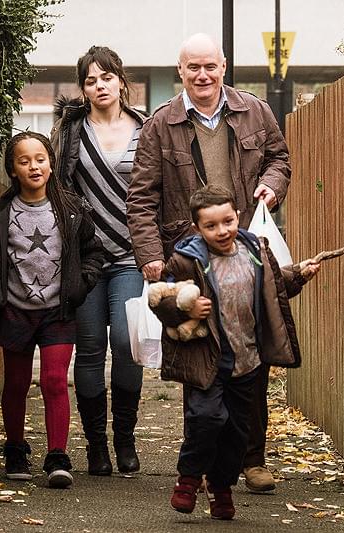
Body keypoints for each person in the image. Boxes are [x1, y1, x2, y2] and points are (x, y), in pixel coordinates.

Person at [126, 33, 291, 493]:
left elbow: (279, 158)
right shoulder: (160, 124)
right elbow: (142, 197)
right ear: (180, 71)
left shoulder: (255, 110)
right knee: (199, 361)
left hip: (245, 251)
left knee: (251, 357)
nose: (203, 75)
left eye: (210, 66)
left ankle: (251, 459)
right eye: (193, 67)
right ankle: (198, 464)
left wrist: (272, 185)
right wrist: (151, 257)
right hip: (190, 259)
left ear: (224, 66)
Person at [149, 185, 320, 519]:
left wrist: (299, 274)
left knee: (237, 433)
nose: (222, 231)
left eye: (227, 221)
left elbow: (274, 285)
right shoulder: (186, 260)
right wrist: (185, 308)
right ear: (197, 228)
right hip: (208, 359)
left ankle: (221, 486)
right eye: (211, 226)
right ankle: (189, 477)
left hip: (247, 360)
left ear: (237, 216)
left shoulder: (255, 249)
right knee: (206, 418)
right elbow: (160, 298)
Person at [0, 131, 104, 488]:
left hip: (57, 311)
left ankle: (57, 456)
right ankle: (15, 450)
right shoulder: (0, 213)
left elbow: (93, 251)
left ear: (50, 165)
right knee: (17, 383)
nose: (33, 166)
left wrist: (80, 286)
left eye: (40, 159)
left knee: (54, 380)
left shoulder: (72, 208)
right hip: (15, 310)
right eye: (24, 161)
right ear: (12, 169)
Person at [51, 46, 147, 476]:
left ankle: (125, 439)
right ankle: (97, 448)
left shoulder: (146, 128)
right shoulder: (70, 131)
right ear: (83, 88)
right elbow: (58, 186)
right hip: (86, 258)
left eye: (106, 77)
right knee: (90, 349)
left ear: (121, 81)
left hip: (131, 255)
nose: (99, 85)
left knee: (127, 344)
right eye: (90, 80)